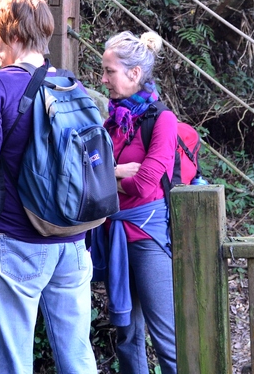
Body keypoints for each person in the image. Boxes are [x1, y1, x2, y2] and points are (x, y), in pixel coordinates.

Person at [0, 0, 98, 374]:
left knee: (10, 363)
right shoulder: (73, 86)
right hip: (73, 247)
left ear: (15, 36)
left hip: (16, 244)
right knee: (78, 358)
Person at [93, 31, 178, 374]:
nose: (102, 79)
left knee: (166, 339)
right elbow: (89, 175)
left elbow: (144, 185)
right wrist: (114, 172)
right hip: (115, 236)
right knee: (127, 336)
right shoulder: (112, 121)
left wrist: (107, 176)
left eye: (109, 71)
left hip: (146, 237)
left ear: (134, 74)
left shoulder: (163, 121)